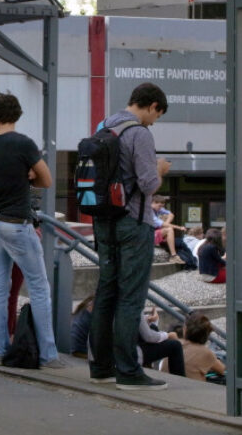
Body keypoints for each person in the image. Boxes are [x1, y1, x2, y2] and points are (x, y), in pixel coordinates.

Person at [89, 82, 172, 390]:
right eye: (157, 115)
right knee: (131, 297)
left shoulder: (104, 125)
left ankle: (100, 366)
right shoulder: (139, 133)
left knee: (106, 292)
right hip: (132, 223)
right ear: (151, 105)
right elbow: (149, 184)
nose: (154, 121)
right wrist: (160, 169)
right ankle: (128, 370)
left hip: (103, 222)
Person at [0, 93, 65, 369]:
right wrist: (30, 174)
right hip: (17, 223)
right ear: (18, 114)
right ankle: (49, 355)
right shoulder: (24, 143)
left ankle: (1, 348)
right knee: (39, 287)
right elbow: (47, 180)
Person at [168, 312, 225, 382]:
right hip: (192, 391)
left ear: (185, 329)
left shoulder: (174, 346)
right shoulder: (205, 352)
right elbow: (222, 369)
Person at [137, 308, 185, 377]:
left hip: (121, 348)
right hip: (131, 352)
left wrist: (149, 319)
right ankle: (181, 381)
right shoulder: (133, 301)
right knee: (175, 345)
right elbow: (148, 336)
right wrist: (168, 335)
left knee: (153, 327)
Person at [149, 196, 189, 266]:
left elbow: (171, 214)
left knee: (167, 228)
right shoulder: (149, 212)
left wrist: (166, 223)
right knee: (169, 230)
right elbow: (162, 224)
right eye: (159, 206)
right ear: (153, 203)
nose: (161, 208)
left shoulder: (156, 208)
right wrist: (179, 227)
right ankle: (174, 256)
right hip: (146, 235)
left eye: (162, 206)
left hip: (152, 232)